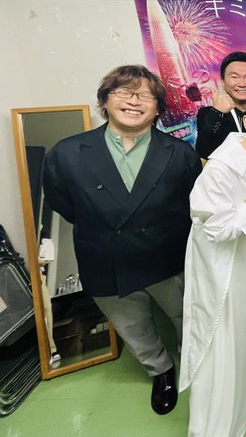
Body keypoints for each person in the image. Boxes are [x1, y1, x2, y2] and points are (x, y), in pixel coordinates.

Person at [43, 64, 202, 415]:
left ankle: (198, 364)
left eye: (145, 95)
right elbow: (62, 203)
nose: (134, 101)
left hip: (168, 257)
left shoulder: (180, 153)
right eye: (124, 92)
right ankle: (161, 370)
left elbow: (193, 205)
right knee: (133, 326)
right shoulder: (67, 153)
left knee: (186, 316)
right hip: (105, 257)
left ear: (157, 108)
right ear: (105, 100)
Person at [179, 93, 246, 437]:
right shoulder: (222, 165)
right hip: (223, 262)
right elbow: (216, 228)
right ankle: (217, 421)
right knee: (224, 333)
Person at [195, 51, 246, 159]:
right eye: (234, 77)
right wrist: (218, 112)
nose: (242, 84)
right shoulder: (209, 114)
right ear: (223, 82)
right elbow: (204, 152)